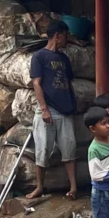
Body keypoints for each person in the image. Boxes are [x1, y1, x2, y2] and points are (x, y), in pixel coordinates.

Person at [27, 20, 79, 200]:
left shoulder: (64, 59)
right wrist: (44, 109)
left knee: (69, 150)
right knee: (42, 150)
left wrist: (73, 104)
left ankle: (73, 188)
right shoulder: (39, 57)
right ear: (58, 35)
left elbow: (68, 83)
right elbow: (36, 84)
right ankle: (39, 187)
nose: (67, 39)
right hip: (48, 110)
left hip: (65, 111)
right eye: (65, 35)